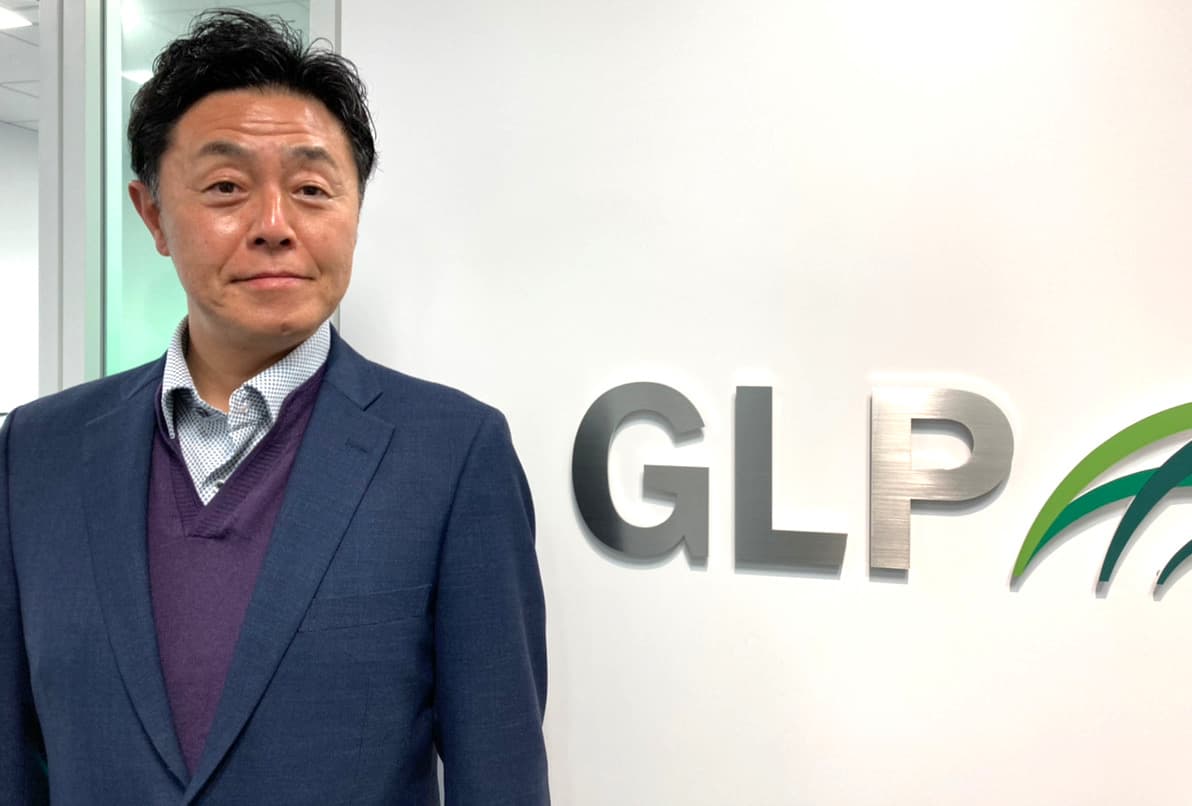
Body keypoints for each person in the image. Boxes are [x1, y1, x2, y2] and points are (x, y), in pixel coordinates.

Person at [0, 10, 549, 805]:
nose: (274, 226)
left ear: (355, 212)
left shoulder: (453, 456)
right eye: (226, 188)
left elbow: (499, 773)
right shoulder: (37, 451)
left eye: (312, 189)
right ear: (152, 215)